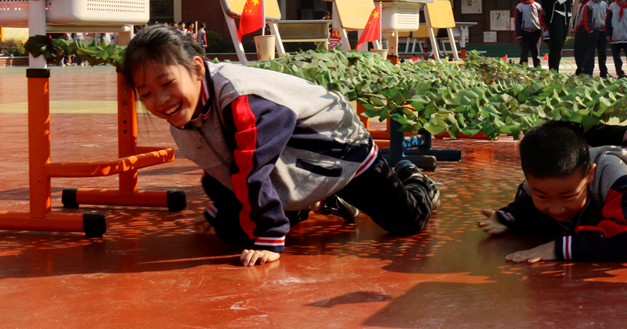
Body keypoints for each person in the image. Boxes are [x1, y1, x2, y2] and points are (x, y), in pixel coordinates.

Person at [122, 25, 440, 266]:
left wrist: (270, 240)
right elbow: (220, 165)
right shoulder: (185, 110)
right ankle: (314, 201)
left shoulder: (241, 101)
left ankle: (413, 179)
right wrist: (229, 207)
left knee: (407, 223)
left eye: (166, 84)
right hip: (290, 165)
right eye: (146, 93)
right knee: (229, 231)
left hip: (340, 155)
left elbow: (251, 170)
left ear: (196, 69)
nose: (160, 100)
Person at [476, 121, 627, 263]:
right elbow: (527, 201)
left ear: (589, 175)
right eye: (542, 196)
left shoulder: (619, 183)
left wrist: (560, 248)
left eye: (568, 196)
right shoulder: (543, 177)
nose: (555, 208)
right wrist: (509, 217)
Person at [576, 0, 608, 77]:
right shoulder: (588, 5)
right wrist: (590, 30)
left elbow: (607, 17)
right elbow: (586, 19)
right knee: (590, 52)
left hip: (602, 32)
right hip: (594, 31)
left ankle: (603, 72)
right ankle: (588, 72)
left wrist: (607, 30)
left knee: (603, 53)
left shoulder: (604, 4)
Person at [514, 0, 544, 68]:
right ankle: (523, 71)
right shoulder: (519, 6)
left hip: (536, 32)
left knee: (536, 53)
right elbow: (517, 21)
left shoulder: (537, 6)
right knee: (524, 54)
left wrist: (543, 33)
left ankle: (538, 70)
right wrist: (518, 34)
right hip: (524, 33)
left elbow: (542, 20)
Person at [572, 0, 591, 75]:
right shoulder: (580, 4)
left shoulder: (590, 4)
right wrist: (573, 27)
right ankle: (579, 68)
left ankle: (584, 69)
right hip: (578, 32)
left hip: (585, 32)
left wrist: (577, 29)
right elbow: (577, 17)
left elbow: (585, 20)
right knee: (577, 52)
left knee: (585, 52)